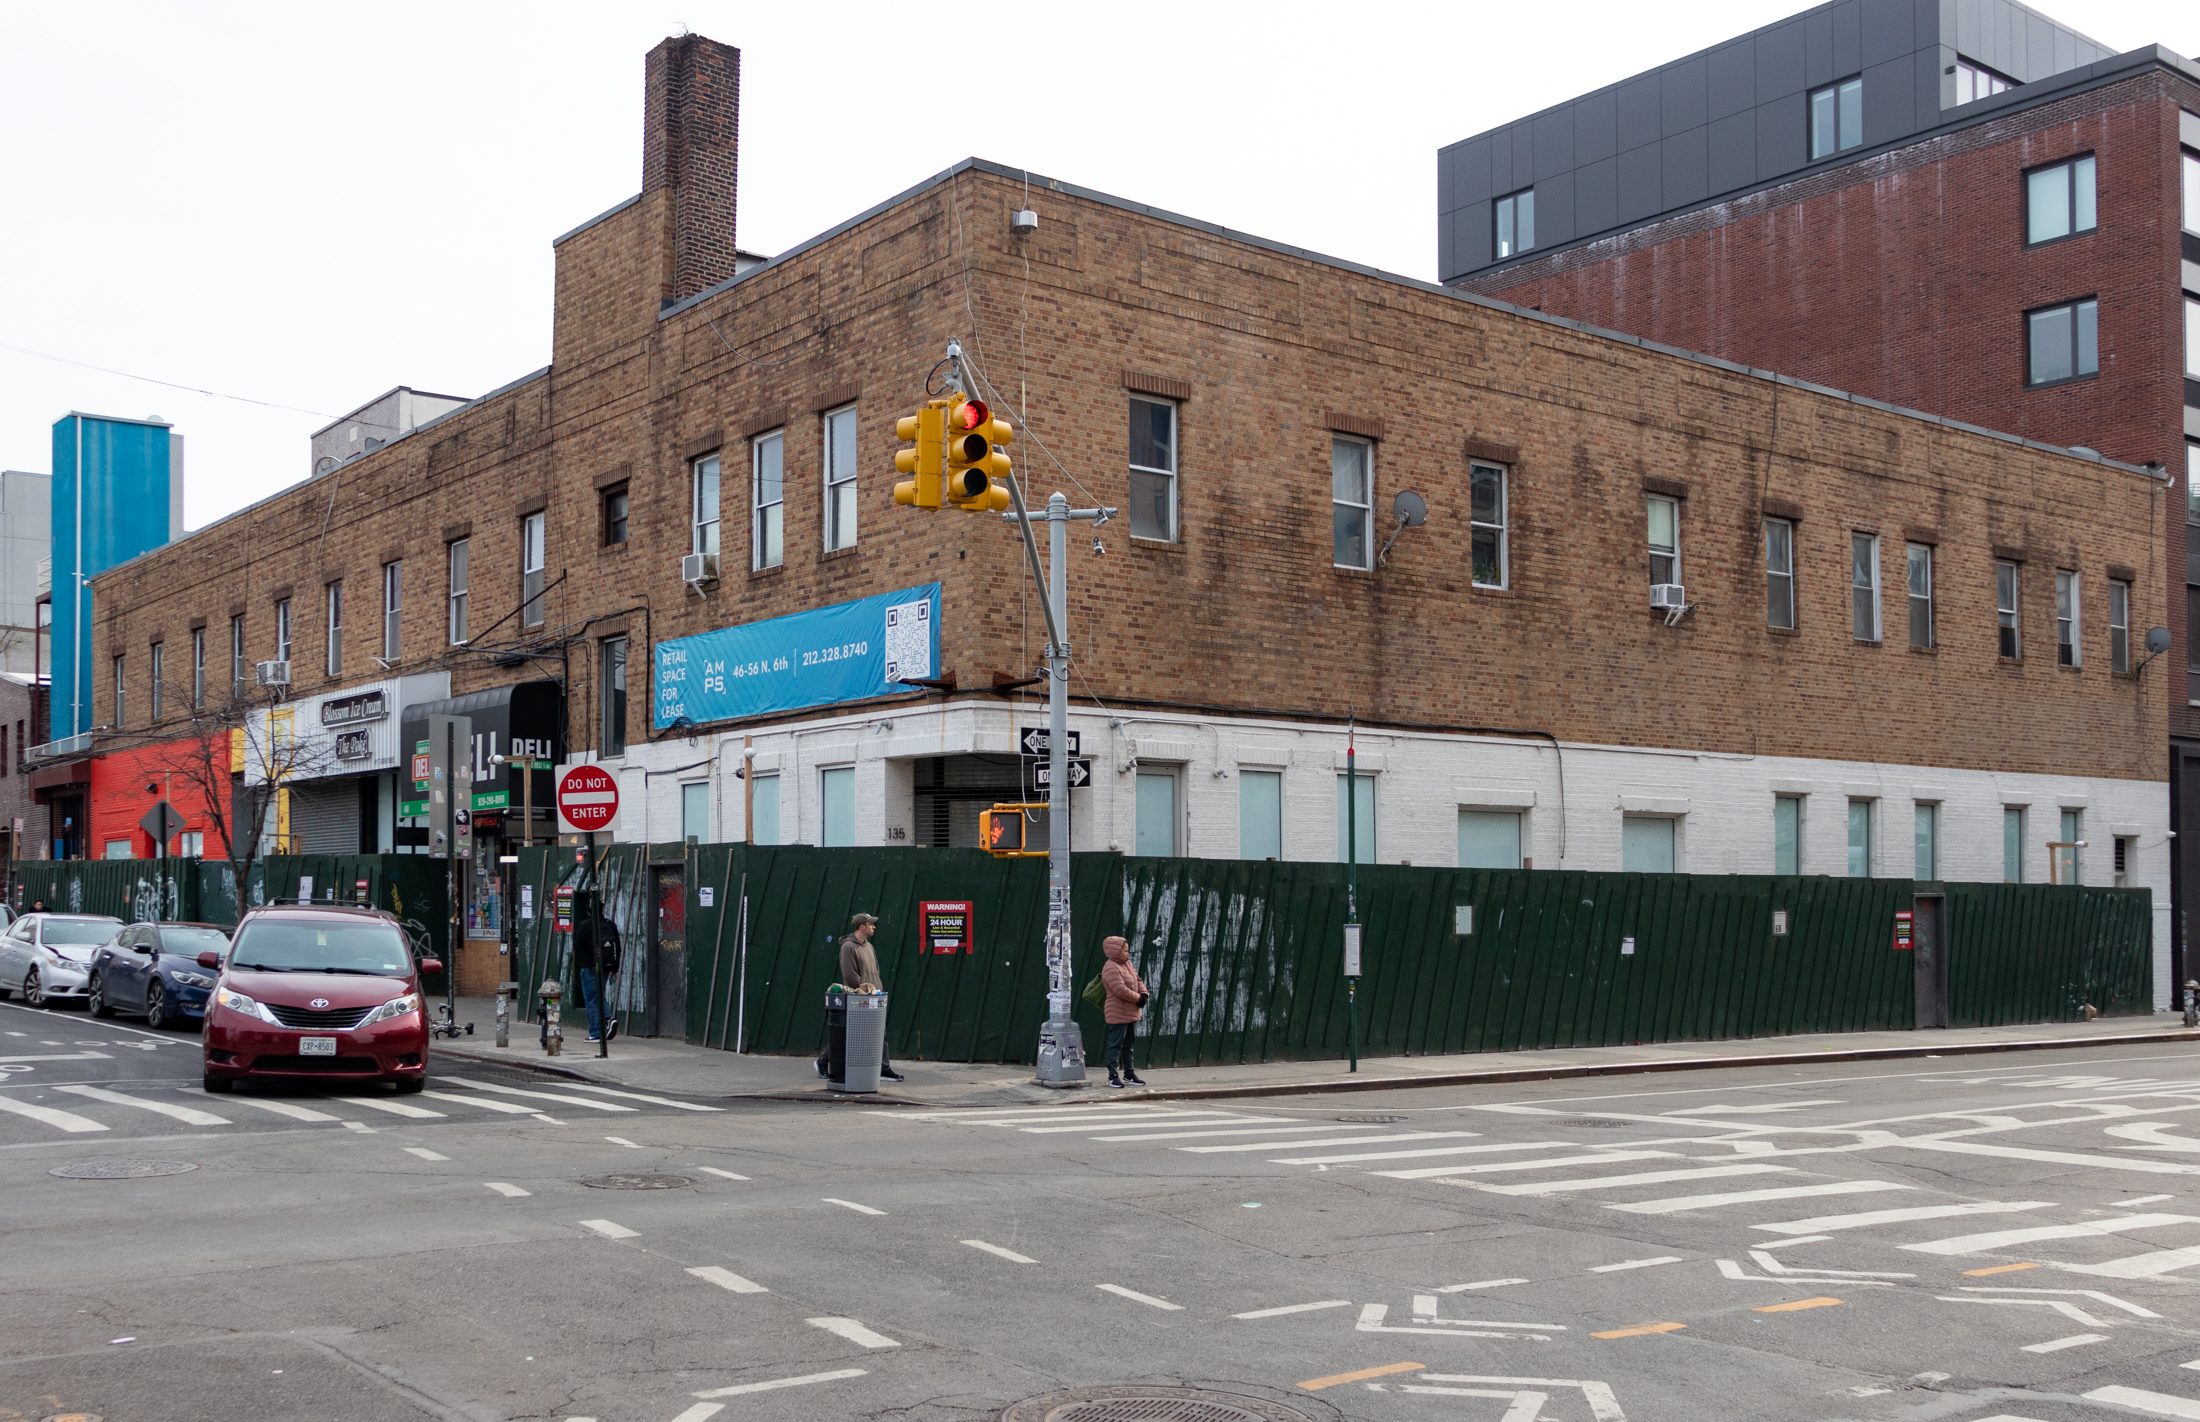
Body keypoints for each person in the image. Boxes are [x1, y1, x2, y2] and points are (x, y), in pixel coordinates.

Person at [817, 912, 904, 1084]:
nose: (874, 926)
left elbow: (875, 971)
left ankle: (883, 1069)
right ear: (861, 926)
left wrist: (876, 990)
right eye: (871, 924)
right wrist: (862, 990)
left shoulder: (869, 947)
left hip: (874, 997)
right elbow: (849, 975)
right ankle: (823, 1061)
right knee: (847, 1034)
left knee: (880, 1033)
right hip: (859, 998)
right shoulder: (849, 947)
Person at [1100, 935, 1149, 1088]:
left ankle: (1129, 1074)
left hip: (1132, 1011)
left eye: (1128, 951)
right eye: (1125, 951)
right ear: (1115, 951)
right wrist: (1138, 998)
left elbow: (1138, 979)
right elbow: (1120, 990)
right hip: (1117, 1012)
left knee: (1129, 1045)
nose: (1128, 954)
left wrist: (1144, 993)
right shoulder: (1110, 967)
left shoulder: (1127, 964)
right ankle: (1112, 1076)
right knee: (1115, 1045)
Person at [571, 892, 618, 1044]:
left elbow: (577, 947)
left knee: (591, 999)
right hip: (606, 967)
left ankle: (597, 1032)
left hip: (590, 966)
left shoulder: (585, 924)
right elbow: (618, 946)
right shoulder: (610, 924)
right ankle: (608, 1020)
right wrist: (614, 969)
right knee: (599, 996)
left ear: (588, 911)